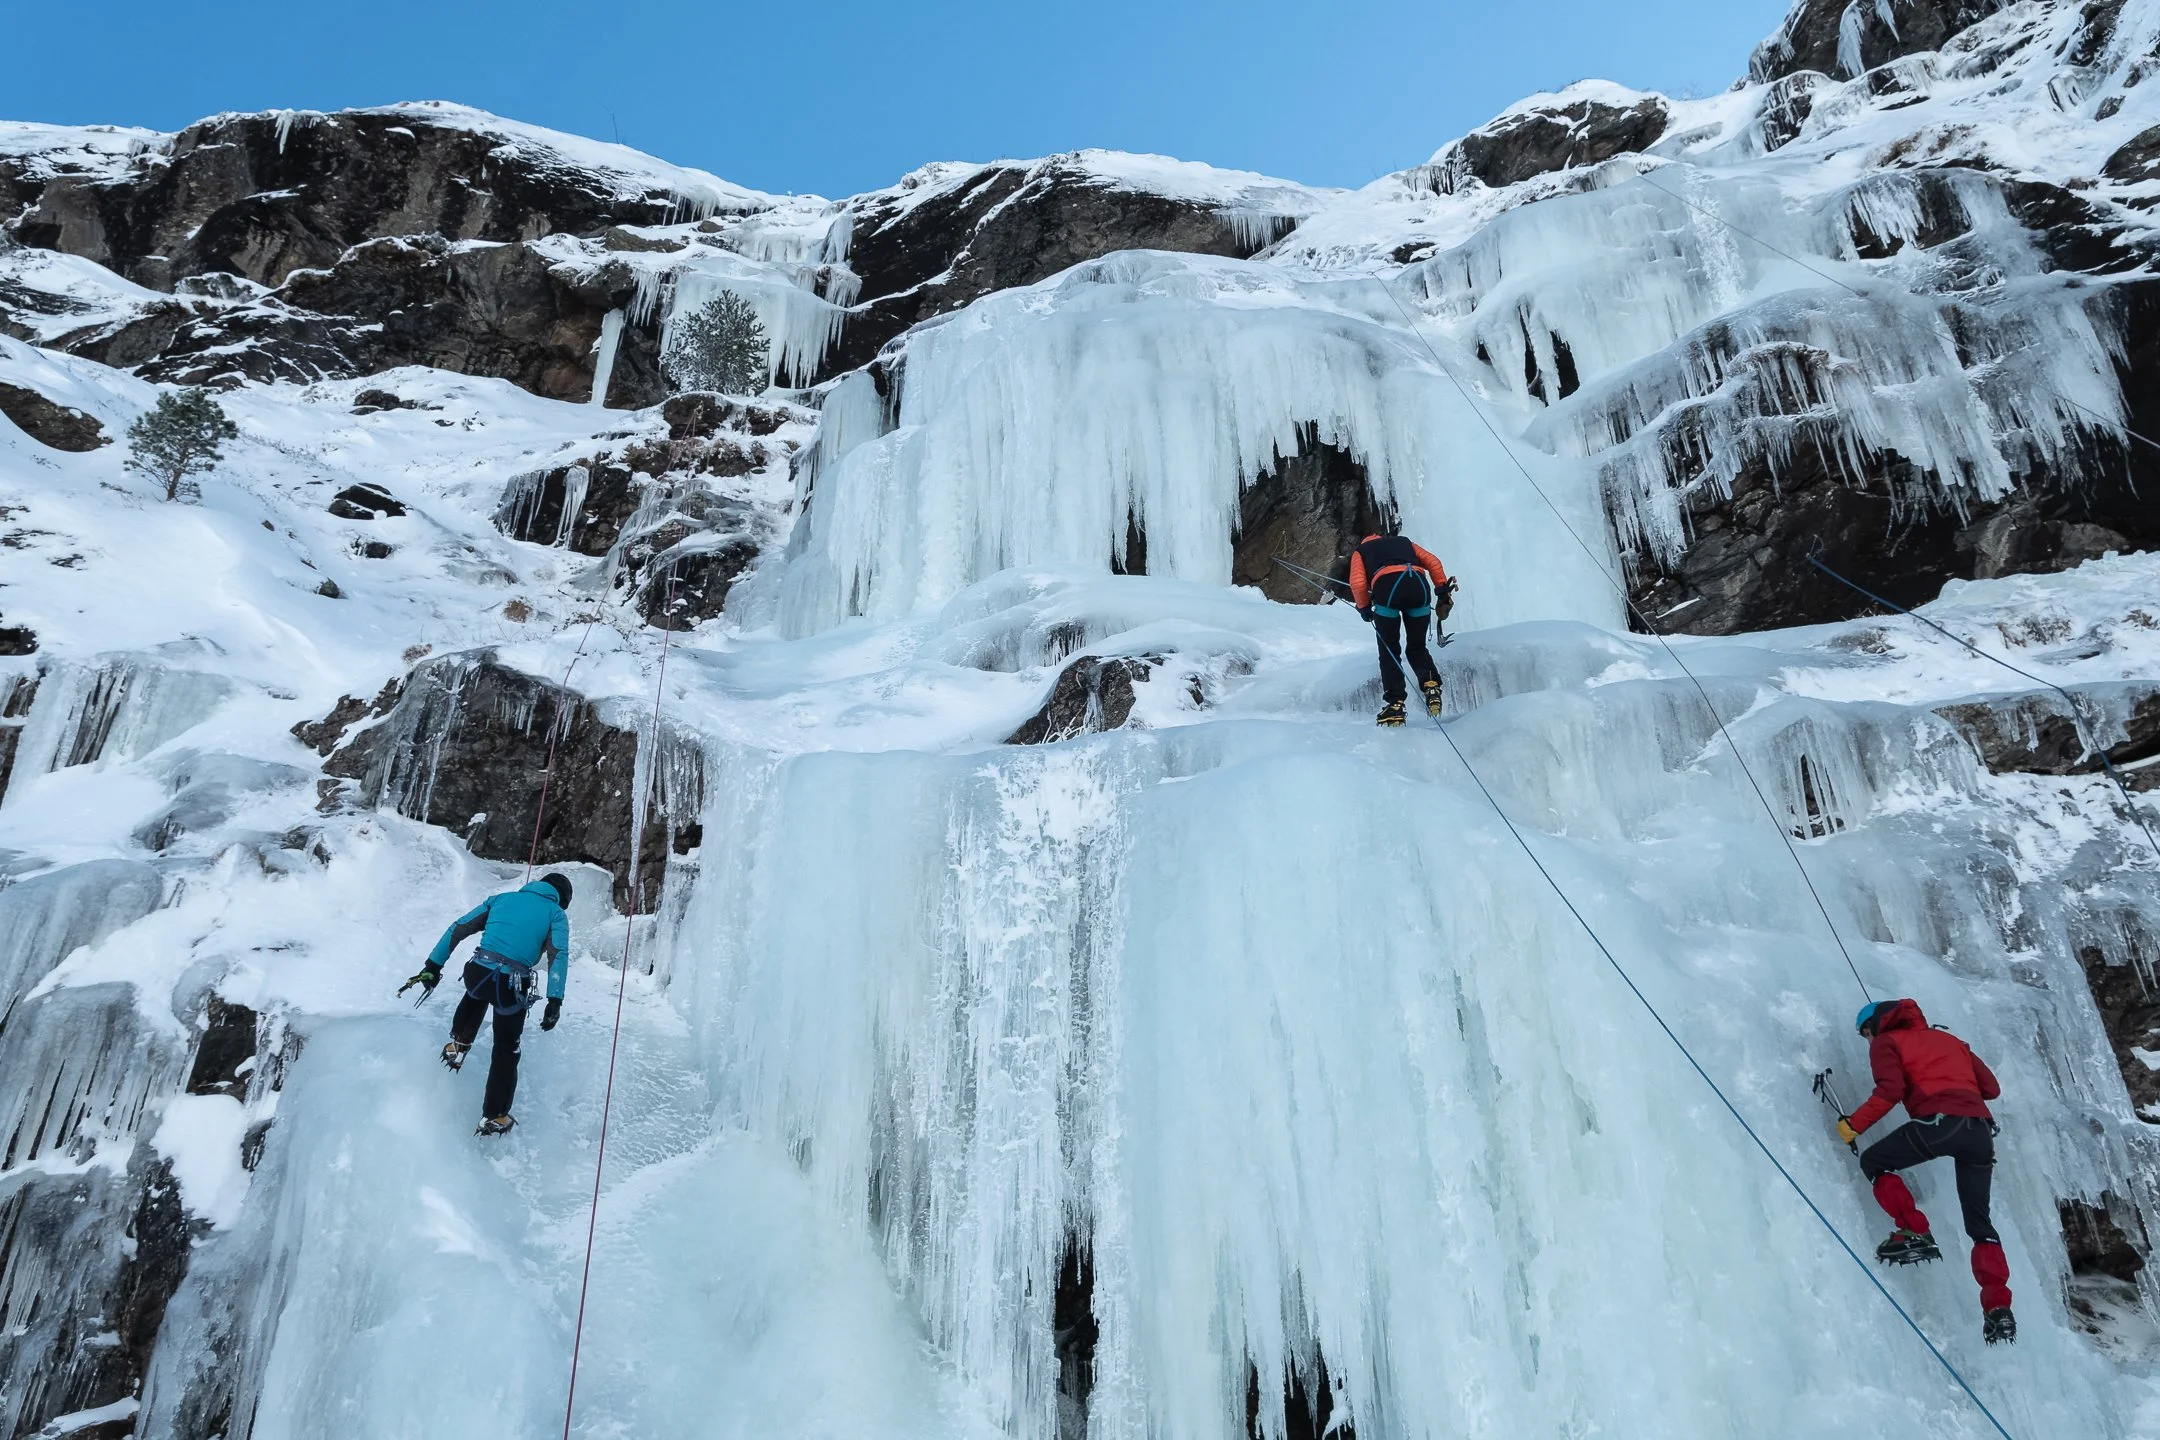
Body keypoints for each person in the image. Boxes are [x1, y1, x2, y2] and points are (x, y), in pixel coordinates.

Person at [1836, 998, 2015, 1344]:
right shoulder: (1951, 1040)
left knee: (1874, 1161)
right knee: (1980, 1225)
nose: (1867, 1040)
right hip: (1979, 1133)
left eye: (1865, 1033)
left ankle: (1914, 1231)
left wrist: (1853, 1126)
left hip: (1941, 1123)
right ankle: (1998, 1309)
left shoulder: (1887, 1042)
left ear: (1875, 1025)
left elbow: (1891, 1091)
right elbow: (1991, 1089)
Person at [400, 873, 572, 1137]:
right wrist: (554, 1000)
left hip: (477, 973)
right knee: (506, 1048)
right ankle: (494, 1115)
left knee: (477, 993)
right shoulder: (556, 914)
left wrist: (433, 966)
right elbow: (558, 955)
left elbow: (458, 928)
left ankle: (458, 1045)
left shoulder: (501, 899)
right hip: (509, 986)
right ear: (561, 899)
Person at [1349, 532, 1454, 726]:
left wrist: (1364, 608)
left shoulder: (1361, 551)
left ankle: (1395, 704)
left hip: (1388, 591)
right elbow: (1433, 562)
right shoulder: (1404, 542)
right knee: (1417, 647)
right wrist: (1441, 591)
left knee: (1389, 650)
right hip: (1419, 588)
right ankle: (1431, 685)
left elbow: (1357, 582)